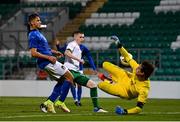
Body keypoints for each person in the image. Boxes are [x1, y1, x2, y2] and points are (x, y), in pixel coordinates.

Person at [27, 13, 74, 113]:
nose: (40, 22)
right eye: (38, 20)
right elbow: (33, 53)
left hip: (47, 61)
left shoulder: (38, 33)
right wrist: (49, 57)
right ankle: (60, 102)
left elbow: (45, 49)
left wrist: (54, 52)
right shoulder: (33, 35)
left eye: (40, 20)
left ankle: (48, 102)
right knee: (70, 78)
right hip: (47, 62)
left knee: (62, 81)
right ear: (31, 22)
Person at [97, 35, 155, 115]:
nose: (137, 67)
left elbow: (138, 108)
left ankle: (109, 81)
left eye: (139, 68)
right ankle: (111, 80)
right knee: (105, 64)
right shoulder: (136, 67)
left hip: (125, 91)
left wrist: (125, 111)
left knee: (100, 85)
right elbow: (127, 56)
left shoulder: (144, 89)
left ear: (142, 73)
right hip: (125, 77)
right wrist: (118, 44)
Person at [54, 31, 107, 112]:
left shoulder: (80, 47)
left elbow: (89, 57)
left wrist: (94, 68)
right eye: (80, 37)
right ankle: (59, 102)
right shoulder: (72, 44)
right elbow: (66, 52)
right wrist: (79, 59)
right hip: (69, 70)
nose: (82, 38)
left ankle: (96, 108)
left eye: (83, 37)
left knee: (93, 85)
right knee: (68, 84)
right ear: (75, 37)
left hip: (76, 72)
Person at [56, 40, 97, 106]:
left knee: (79, 85)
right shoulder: (70, 46)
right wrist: (57, 45)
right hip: (70, 68)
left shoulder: (83, 47)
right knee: (71, 83)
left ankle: (78, 100)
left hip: (79, 69)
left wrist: (94, 68)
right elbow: (61, 50)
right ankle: (75, 99)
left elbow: (89, 58)